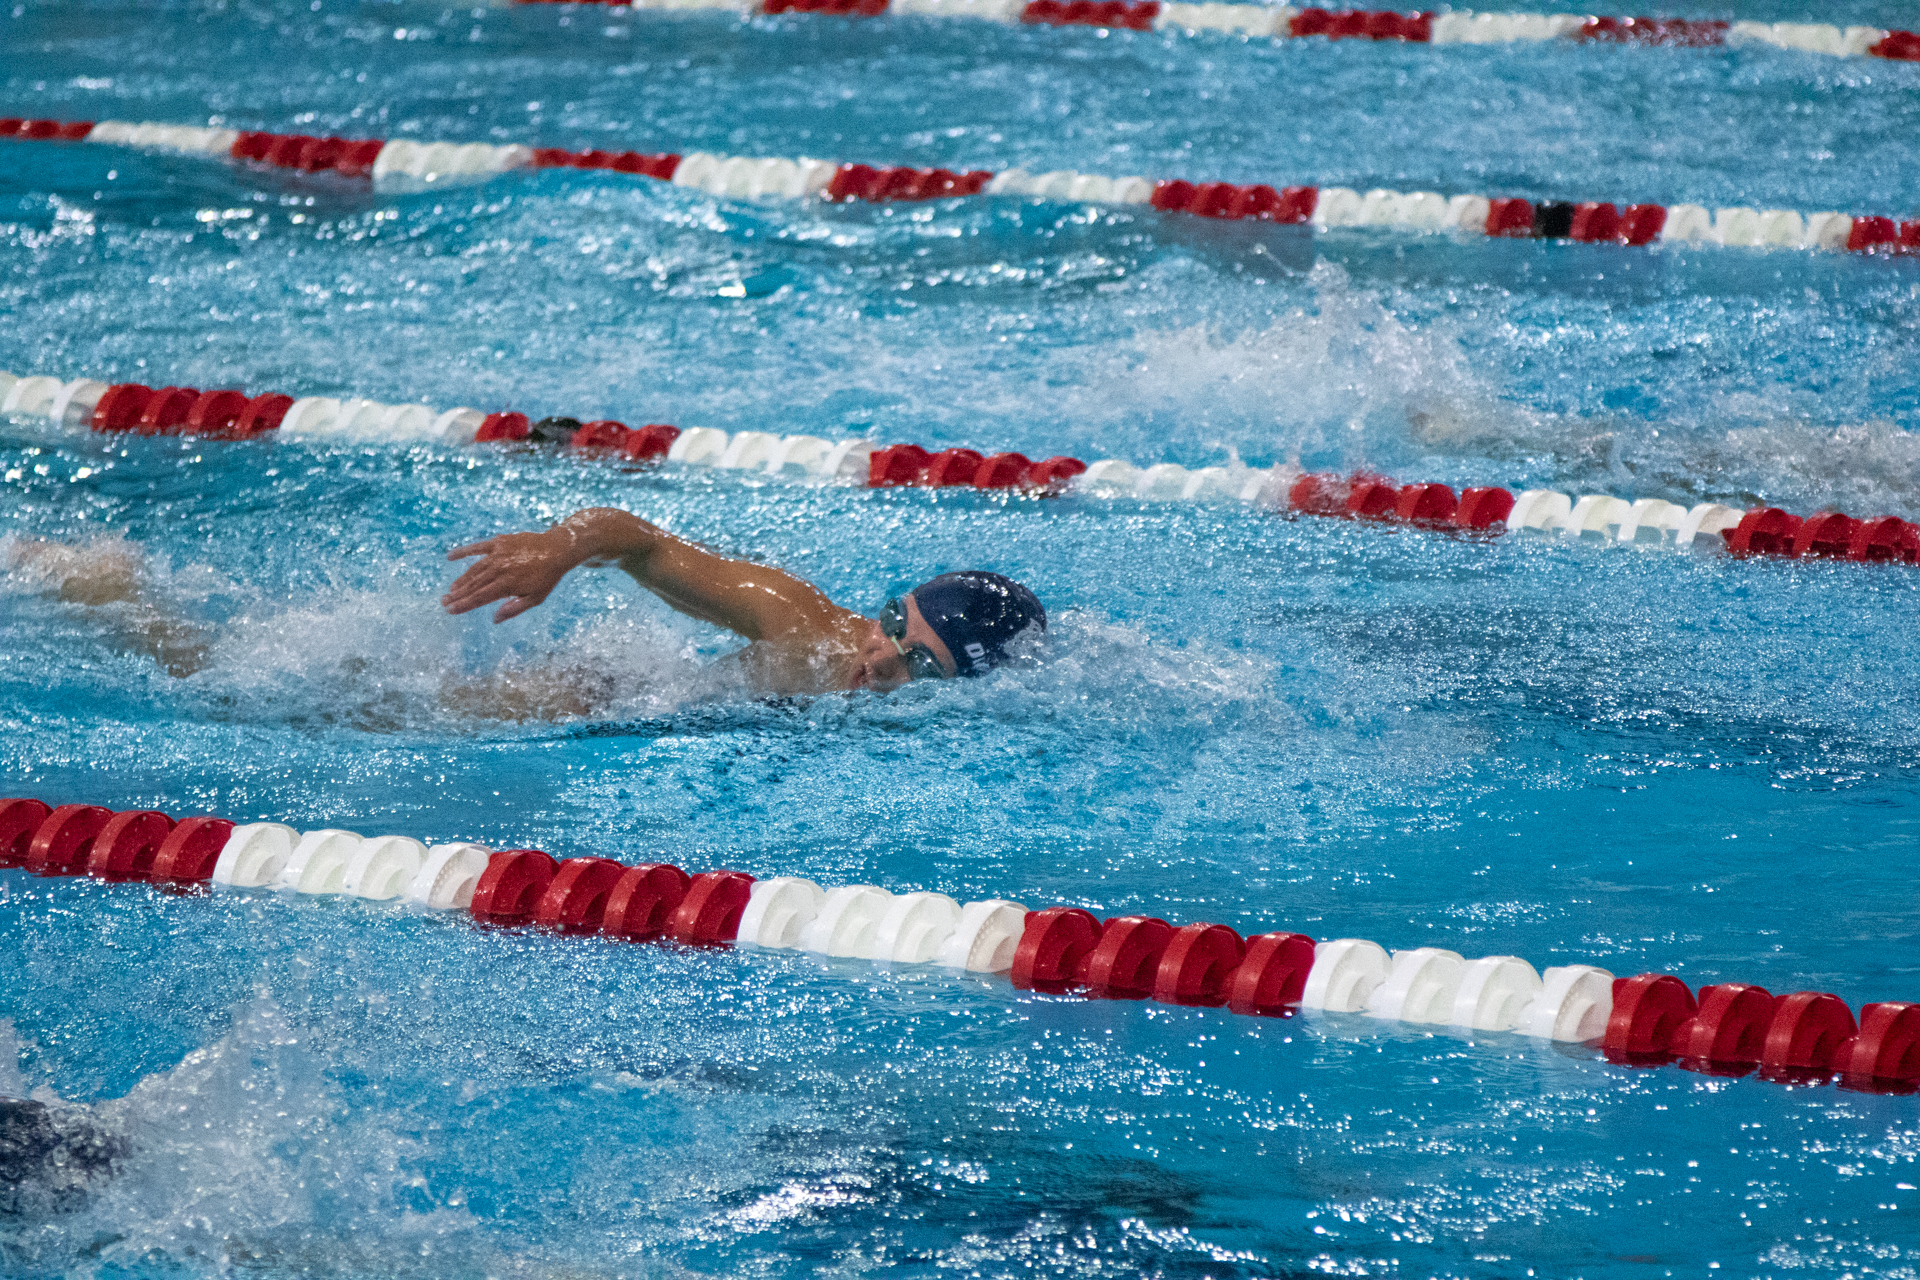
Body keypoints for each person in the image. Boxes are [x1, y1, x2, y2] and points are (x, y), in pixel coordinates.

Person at [442, 506, 1046, 697]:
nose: (882, 656)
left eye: (921, 665)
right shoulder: (805, 629)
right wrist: (560, 546)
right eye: (892, 623)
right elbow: (641, 545)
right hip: (621, 704)